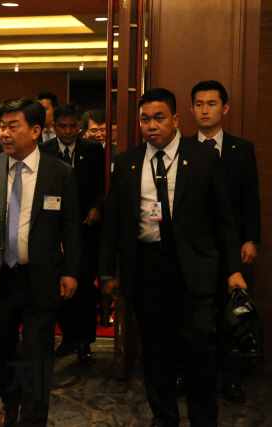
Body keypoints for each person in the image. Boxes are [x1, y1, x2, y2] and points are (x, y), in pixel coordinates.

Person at [99, 88, 247, 427]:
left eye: (159, 118)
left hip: (193, 268)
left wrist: (233, 270)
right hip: (147, 268)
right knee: (155, 350)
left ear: (176, 119)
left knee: (198, 348)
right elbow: (113, 222)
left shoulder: (203, 156)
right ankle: (163, 416)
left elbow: (224, 218)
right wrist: (107, 271)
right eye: (145, 119)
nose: (152, 126)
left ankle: (202, 417)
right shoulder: (127, 162)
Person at [0, 98, 81, 427]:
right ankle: (11, 401)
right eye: (2, 126)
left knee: (38, 357)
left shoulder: (60, 173)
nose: (5, 133)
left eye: (13, 126)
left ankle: (32, 419)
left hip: (39, 277)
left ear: (36, 131)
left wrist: (71, 271)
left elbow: (71, 229)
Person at [189, 80, 261, 403]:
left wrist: (251, 239)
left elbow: (250, 199)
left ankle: (231, 378)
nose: (205, 110)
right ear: (191, 109)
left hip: (233, 248)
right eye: (199, 104)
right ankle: (189, 375)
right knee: (194, 316)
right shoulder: (184, 149)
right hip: (195, 249)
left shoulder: (241, 149)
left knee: (233, 316)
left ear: (225, 108)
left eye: (212, 104)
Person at [40, 103, 105, 365]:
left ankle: (85, 343)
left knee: (86, 288)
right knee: (60, 287)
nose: (68, 131)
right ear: (54, 127)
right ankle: (67, 337)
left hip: (87, 229)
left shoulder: (92, 149)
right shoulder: (44, 151)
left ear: (80, 125)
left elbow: (103, 184)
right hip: (55, 230)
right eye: (62, 126)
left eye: (73, 126)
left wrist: (97, 207)